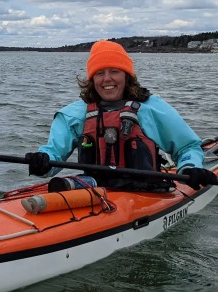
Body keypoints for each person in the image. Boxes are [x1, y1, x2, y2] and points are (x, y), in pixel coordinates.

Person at [25, 39, 216, 191]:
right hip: (94, 191)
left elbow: (187, 146)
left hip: (146, 193)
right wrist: (42, 161)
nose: (107, 79)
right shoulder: (73, 115)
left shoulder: (152, 108)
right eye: (99, 73)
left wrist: (190, 167)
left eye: (114, 71)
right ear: (92, 79)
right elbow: (53, 154)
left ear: (126, 76)